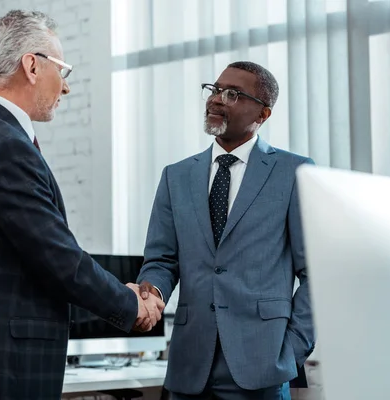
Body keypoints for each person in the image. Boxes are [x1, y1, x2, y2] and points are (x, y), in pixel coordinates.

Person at [0, 10, 164, 400]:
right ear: (32, 65)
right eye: (62, 70)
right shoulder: (5, 147)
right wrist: (130, 305)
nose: (65, 88)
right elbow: (58, 258)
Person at [135, 61, 315, 399]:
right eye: (214, 90)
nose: (217, 99)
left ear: (263, 114)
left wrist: (290, 350)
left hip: (262, 365)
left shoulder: (295, 172)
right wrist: (152, 293)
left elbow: (316, 274)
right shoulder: (176, 176)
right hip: (190, 365)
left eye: (232, 94)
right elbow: (161, 260)